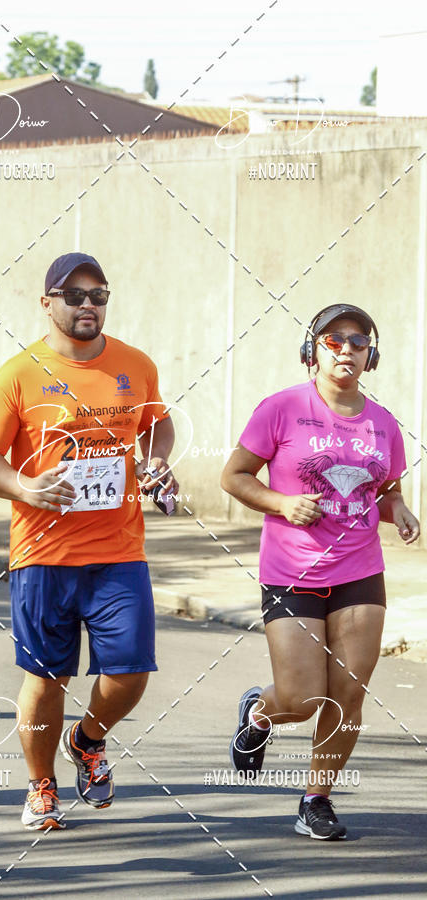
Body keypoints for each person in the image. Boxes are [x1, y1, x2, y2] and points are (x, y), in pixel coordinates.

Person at [0, 252, 178, 830]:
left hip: (118, 550)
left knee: (131, 672)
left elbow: (159, 423)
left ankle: (87, 741)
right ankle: (40, 786)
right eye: (76, 295)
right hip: (43, 553)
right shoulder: (19, 373)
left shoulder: (136, 364)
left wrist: (156, 461)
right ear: (48, 302)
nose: (89, 304)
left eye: (99, 294)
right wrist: (24, 487)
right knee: (47, 676)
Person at [220, 303, 420, 840]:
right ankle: (260, 712)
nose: (346, 350)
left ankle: (317, 798)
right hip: (291, 571)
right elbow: (234, 476)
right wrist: (281, 503)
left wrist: (397, 508)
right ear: (313, 350)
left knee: (349, 691)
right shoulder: (281, 408)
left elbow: (381, 489)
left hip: (360, 570)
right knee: (304, 699)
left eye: (358, 341)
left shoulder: (381, 422)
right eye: (334, 340)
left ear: (370, 356)